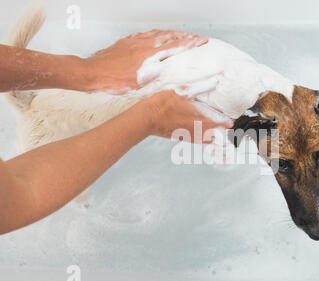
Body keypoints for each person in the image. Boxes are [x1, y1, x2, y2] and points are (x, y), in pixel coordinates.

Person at [0, 30, 232, 235]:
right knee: (79, 199)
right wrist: (150, 115)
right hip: (43, 127)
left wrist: (89, 70)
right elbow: (19, 196)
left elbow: (19, 195)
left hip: (49, 111)